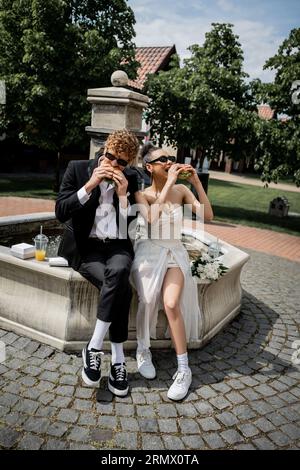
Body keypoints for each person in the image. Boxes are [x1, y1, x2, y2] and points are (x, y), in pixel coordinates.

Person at [55, 129, 140, 397]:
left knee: (119, 269)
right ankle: (117, 359)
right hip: (87, 249)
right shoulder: (78, 169)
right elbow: (60, 211)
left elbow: (131, 226)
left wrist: (125, 196)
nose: (115, 165)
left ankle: (93, 347)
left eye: (122, 162)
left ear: (129, 163)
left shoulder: (132, 178)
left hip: (117, 246)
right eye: (111, 157)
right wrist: (91, 184)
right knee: (120, 287)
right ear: (104, 150)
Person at [131, 143, 214, 401]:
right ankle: (143, 350)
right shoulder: (141, 194)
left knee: (171, 303)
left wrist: (197, 184)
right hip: (149, 250)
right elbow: (152, 219)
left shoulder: (181, 190)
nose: (169, 162)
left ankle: (183, 369)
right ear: (149, 167)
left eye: (171, 158)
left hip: (175, 251)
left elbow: (208, 216)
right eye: (162, 159)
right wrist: (169, 185)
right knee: (146, 299)